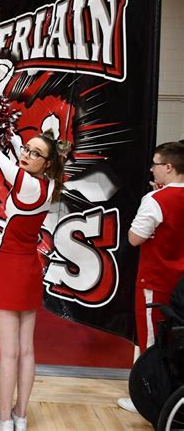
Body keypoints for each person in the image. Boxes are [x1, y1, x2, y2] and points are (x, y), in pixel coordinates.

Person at [0, 125, 64, 431]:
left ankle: (3, 420)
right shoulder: (50, 185)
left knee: (9, 352)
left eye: (34, 153)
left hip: (8, 268)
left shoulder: (23, 181)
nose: (26, 155)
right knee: (26, 349)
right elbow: (21, 156)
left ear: (47, 162)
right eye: (26, 149)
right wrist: (18, 141)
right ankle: (20, 417)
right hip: (30, 269)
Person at [117, 141, 184, 413]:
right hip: (180, 284)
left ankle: (147, 399)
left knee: (151, 341)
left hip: (155, 281)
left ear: (168, 167)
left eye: (155, 164)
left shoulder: (155, 200)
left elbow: (134, 238)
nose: (152, 169)